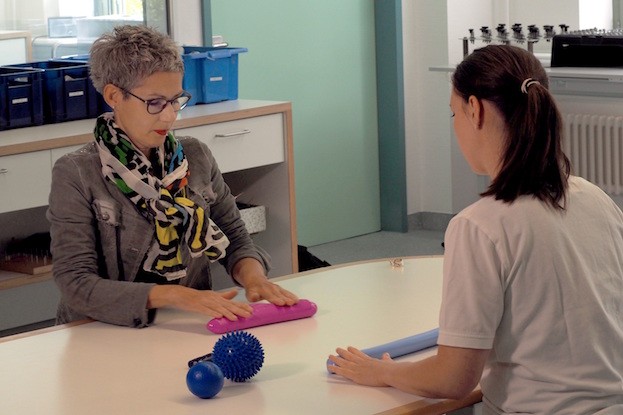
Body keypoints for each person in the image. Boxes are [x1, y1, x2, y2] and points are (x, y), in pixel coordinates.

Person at [328, 45, 623, 414]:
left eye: (454, 113)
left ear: (475, 109)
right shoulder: (596, 198)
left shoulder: (479, 225)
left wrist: (384, 371)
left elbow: (453, 380)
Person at [47, 25, 298, 328]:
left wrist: (254, 278)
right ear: (114, 95)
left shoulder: (196, 156)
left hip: (184, 323)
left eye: (176, 100)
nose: (170, 116)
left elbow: (235, 238)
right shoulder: (76, 171)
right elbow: (76, 284)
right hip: (102, 330)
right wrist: (175, 296)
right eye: (154, 102)